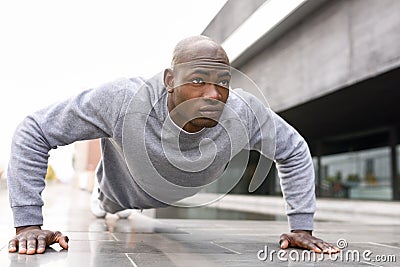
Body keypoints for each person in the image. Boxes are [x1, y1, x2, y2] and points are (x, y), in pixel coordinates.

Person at [7, 35, 339, 255]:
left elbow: (294, 150)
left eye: (222, 82)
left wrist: (302, 227)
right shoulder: (122, 100)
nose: (213, 95)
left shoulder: (243, 112)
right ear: (170, 81)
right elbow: (33, 131)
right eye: (197, 80)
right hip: (118, 193)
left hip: (179, 188)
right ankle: (102, 200)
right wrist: (28, 224)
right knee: (106, 208)